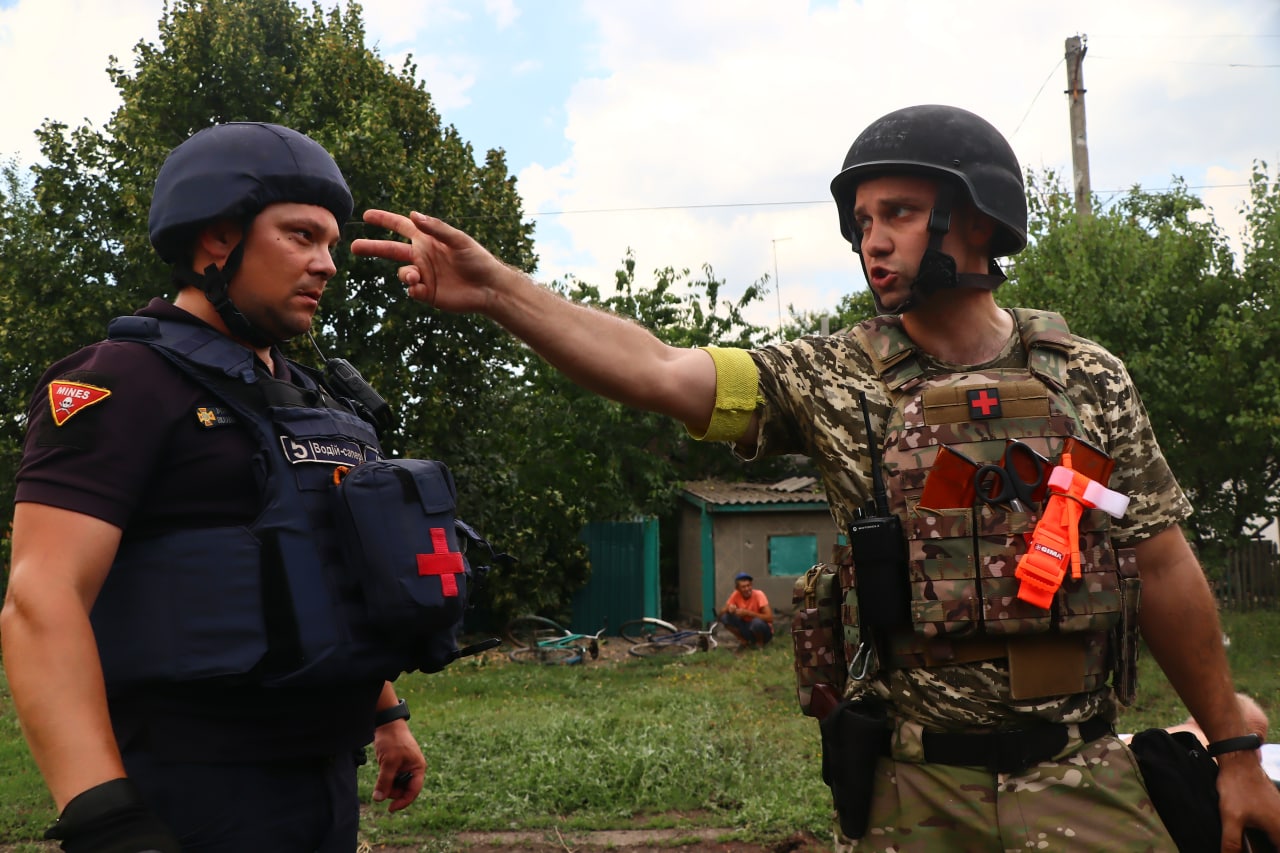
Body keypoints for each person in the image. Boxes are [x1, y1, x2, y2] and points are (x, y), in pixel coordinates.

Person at [350, 103, 1280, 850]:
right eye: (862, 221)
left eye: (901, 214)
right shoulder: (827, 375)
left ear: (982, 219)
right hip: (916, 789)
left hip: (1083, 777)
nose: (873, 241)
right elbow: (660, 367)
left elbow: (1160, 562)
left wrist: (1234, 747)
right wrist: (500, 290)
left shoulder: (1088, 376)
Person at [1, 122, 428, 852]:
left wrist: (388, 718)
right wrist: (104, 811)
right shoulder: (118, 379)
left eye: (330, 242)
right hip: (187, 787)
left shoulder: (319, 401)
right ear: (216, 242)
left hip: (322, 778)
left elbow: (322, 566)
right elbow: (41, 598)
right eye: (299, 236)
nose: (326, 264)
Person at [718, 572, 774, 648]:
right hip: (746, 627)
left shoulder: (759, 594)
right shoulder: (735, 594)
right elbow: (720, 615)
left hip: (763, 631)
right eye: (743, 587)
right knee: (725, 617)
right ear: (737, 589)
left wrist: (748, 613)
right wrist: (729, 609)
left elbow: (770, 618)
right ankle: (744, 641)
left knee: (756, 622)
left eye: (749, 585)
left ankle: (760, 644)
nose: (747, 589)